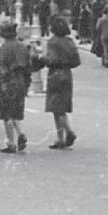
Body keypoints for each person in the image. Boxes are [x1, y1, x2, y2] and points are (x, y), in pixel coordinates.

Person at [32, 17, 80, 149]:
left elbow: (51, 59)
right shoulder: (70, 41)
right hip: (67, 74)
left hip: (55, 75)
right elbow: (77, 61)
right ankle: (61, 139)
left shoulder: (52, 42)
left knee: (56, 108)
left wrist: (41, 58)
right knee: (62, 107)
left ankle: (68, 132)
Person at [0, 21, 30, 153]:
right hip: (20, 80)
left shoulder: (3, 49)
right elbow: (28, 67)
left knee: (6, 114)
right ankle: (20, 133)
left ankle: (10, 142)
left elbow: (1, 69)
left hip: (7, 81)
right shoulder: (22, 47)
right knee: (15, 111)